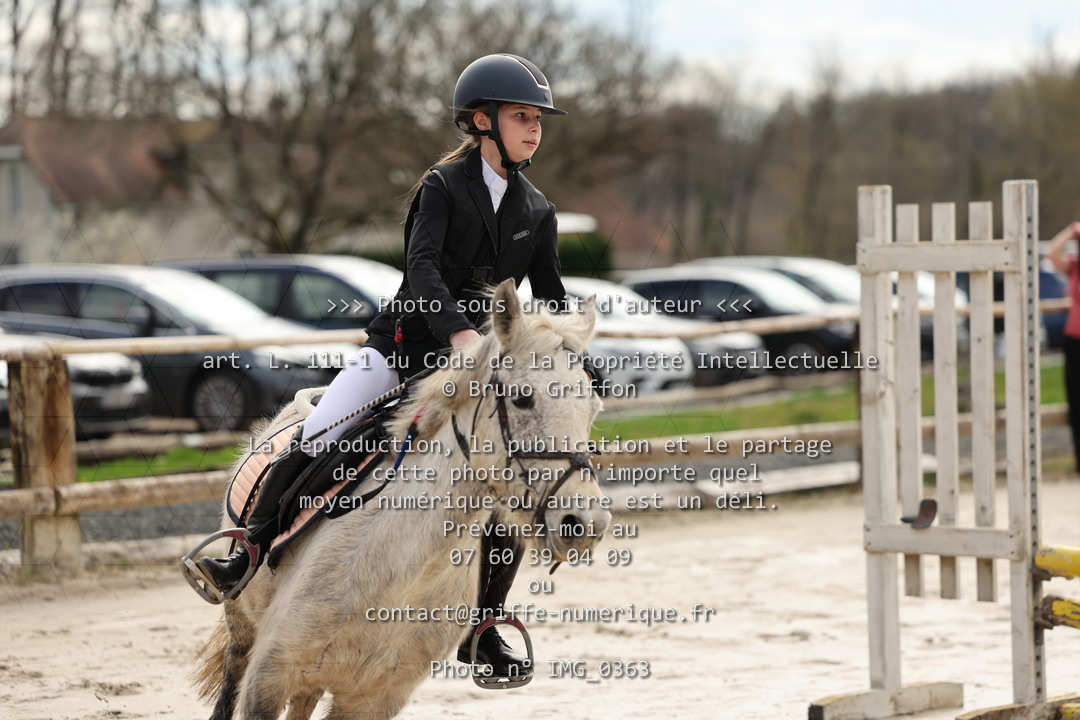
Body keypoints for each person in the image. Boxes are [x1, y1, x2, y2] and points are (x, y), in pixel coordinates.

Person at [194, 53, 570, 677]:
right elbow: (421, 269)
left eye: (538, 120)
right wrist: (458, 333)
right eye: (521, 117)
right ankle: (247, 551)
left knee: (507, 480)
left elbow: (551, 297)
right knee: (323, 433)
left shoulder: (539, 210)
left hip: (474, 374)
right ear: (482, 121)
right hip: (403, 350)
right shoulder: (442, 187)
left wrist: (573, 356)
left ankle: (484, 625)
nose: (534, 129)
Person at [1046, 220, 1080, 473]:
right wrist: (1071, 230)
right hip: (1075, 339)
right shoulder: (1075, 267)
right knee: (1076, 400)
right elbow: (1051, 253)